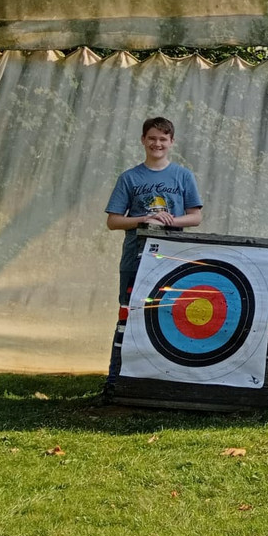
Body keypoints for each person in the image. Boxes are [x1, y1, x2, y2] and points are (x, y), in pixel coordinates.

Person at [103, 116, 203, 388]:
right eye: (152, 138)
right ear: (143, 140)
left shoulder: (183, 176)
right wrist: (142, 220)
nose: (157, 144)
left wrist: (170, 220)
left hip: (171, 260)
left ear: (171, 142)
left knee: (169, 315)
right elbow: (113, 221)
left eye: (163, 139)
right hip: (135, 259)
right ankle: (118, 378)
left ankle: (167, 378)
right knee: (131, 313)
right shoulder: (130, 177)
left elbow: (194, 217)